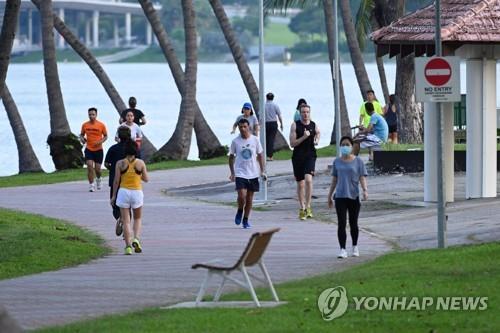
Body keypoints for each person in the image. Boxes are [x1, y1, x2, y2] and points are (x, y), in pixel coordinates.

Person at [327, 136, 368, 259]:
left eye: (347, 144)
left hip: (354, 195)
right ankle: (342, 249)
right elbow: (334, 179)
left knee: (353, 223)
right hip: (340, 196)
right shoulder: (337, 162)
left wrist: (365, 190)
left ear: (351, 146)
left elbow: (362, 177)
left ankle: (355, 246)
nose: (345, 147)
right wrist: (329, 196)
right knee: (341, 223)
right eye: (343, 145)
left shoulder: (358, 161)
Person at [111, 139, 149, 255]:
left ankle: (128, 247)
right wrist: (138, 175)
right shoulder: (140, 163)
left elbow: (116, 181)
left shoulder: (120, 163)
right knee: (137, 218)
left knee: (126, 221)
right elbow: (146, 179)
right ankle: (136, 239)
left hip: (123, 193)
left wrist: (113, 196)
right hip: (137, 192)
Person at [229, 118, 266, 229]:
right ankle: (240, 210)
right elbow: (231, 158)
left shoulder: (255, 140)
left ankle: (245, 220)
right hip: (240, 172)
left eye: (244, 127)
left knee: (249, 199)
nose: (242, 129)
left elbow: (260, 155)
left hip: (253, 173)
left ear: (248, 127)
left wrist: (263, 171)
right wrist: (232, 172)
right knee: (241, 195)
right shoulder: (235, 141)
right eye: (240, 127)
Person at [290, 104, 320, 221]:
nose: (305, 114)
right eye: (303, 112)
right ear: (300, 113)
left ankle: (308, 206)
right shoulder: (295, 125)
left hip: (310, 156)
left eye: (307, 112)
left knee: (308, 180)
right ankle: (302, 208)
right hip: (298, 157)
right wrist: (303, 137)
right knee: (300, 183)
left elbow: (318, 132)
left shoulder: (313, 124)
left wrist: (317, 139)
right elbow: (292, 144)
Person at [104, 126, 131, 237]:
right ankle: (126, 228)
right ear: (129, 136)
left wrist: (113, 170)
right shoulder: (132, 149)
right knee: (128, 206)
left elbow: (106, 163)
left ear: (118, 136)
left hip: (114, 180)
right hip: (129, 181)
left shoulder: (113, 148)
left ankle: (119, 218)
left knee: (115, 204)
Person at [79, 107, 108, 192]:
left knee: (98, 169)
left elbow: (106, 136)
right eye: (90, 115)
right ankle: (91, 185)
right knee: (89, 166)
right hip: (89, 149)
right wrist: (82, 139)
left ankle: (98, 179)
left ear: (96, 115)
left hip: (98, 150)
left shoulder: (101, 125)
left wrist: (100, 142)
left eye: (93, 114)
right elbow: (81, 135)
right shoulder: (85, 125)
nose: (91, 116)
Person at [264, 92, 284, 161]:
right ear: (273, 98)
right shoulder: (275, 105)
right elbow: (279, 115)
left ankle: (267, 155)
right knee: (271, 139)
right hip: (273, 123)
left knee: (266, 139)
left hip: (266, 123)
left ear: (266, 98)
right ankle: (270, 156)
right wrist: (281, 124)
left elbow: (260, 115)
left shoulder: (264, 105)